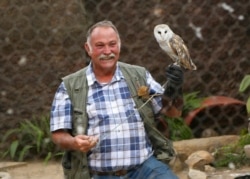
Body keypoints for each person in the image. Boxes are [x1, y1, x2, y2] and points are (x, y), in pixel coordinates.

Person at [50, 20, 184, 179]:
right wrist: (75, 142)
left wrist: (174, 90)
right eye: (100, 45)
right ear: (88, 49)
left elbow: (173, 112)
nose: (107, 51)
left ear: (119, 46)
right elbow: (58, 135)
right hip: (100, 174)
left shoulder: (138, 75)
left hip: (144, 168)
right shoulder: (70, 86)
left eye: (112, 44)